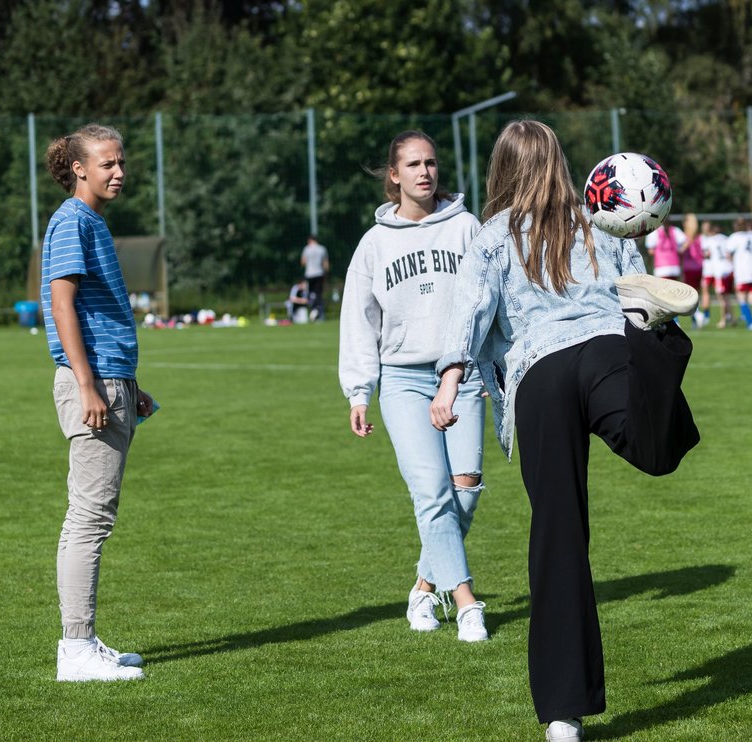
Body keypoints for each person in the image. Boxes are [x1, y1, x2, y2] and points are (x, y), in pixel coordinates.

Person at [430, 120, 700, 742]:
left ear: (501, 169)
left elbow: (468, 311)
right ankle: (659, 347)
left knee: (559, 534)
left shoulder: (492, 235)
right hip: (608, 349)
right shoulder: (600, 214)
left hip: (541, 373)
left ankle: (561, 714)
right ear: (559, 162)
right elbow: (631, 261)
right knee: (654, 449)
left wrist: (449, 384)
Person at [338, 130, 489, 642]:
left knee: (464, 490)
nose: (425, 172)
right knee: (430, 492)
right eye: (413, 164)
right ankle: (466, 601)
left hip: (461, 374)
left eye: (431, 163)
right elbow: (359, 322)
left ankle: (424, 587)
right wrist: (359, 391)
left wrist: (488, 368)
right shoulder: (375, 243)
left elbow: (487, 304)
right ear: (394, 176)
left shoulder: (467, 227)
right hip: (402, 379)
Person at [41, 124, 155, 682]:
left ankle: (82, 642)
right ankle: (76, 649)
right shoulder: (72, 221)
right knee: (89, 519)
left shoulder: (90, 223)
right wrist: (89, 386)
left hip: (112, 382)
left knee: (92, 517)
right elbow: (62, 306)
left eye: (121, 162)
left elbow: (94, 314)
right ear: (79, 169)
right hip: (93, 385)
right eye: (107, 163)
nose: (119, 172)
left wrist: (128, 387)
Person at [680, 213, 705, 327]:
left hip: (692, 269)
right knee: (693, 295)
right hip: (694, 268)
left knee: (691, 295)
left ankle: (697, 315)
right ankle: (696, 317)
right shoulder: (687, 237)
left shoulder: (690, 237)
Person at [300, 234, 330, 321]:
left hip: (309, 274)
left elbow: (303, 262)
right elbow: (325, 264)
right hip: (319, 274)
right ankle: (318, 311)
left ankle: (313, 309)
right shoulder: (322, 249)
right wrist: (326, 274)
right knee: (318, 293)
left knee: (310, 293)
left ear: (310, 240)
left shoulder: (307, 249)